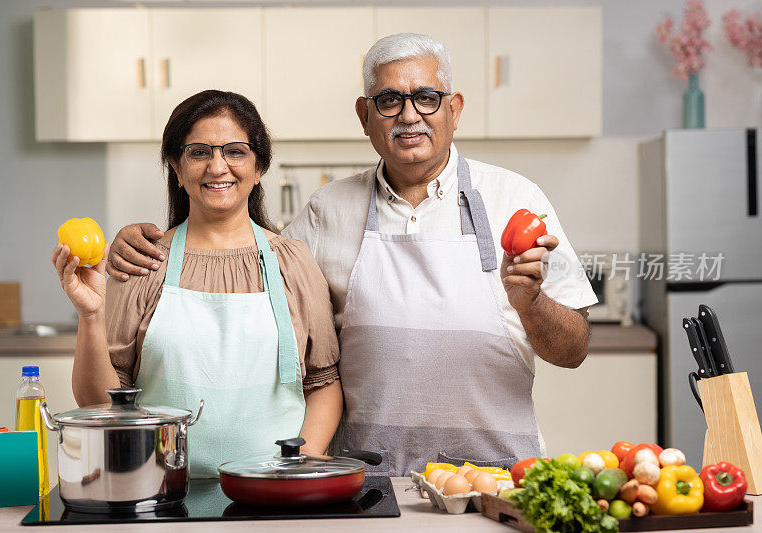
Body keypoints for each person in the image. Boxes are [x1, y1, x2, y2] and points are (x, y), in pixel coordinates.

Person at [106, 34, 597, 476]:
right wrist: (149, 242)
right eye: (389, 101)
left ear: (455, 108)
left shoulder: (518, 198)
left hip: (494, 474)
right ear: (364, 115)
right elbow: (244, 262)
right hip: (365, 473)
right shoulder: (328, 209)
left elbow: (573, 351)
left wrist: (531, 304)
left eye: (427, 97)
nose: (409, 115)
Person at [52, 90, 342, 477]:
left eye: (235, 151)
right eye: (199, 152)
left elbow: (323, 383)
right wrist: (91, 316)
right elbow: (101, 405)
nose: (217, 167)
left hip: (275, 495)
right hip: (162, 493)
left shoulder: (294, 261)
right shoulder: (143, 261)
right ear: (176, 166)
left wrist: (301, 462)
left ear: (258, 168)